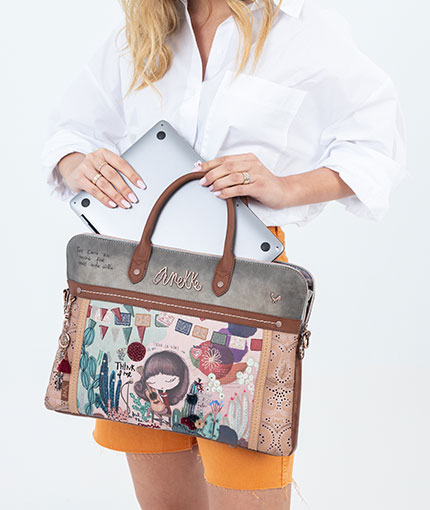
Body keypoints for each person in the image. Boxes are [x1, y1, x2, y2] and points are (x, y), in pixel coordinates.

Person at [40, 0, 406, 508]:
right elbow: (69, 131)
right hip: (138, 290)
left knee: (247, 474)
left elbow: (376, 148)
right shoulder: (147, 26)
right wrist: (78, 163)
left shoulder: (302, 27)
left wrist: (285, 188)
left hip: (246, 285)